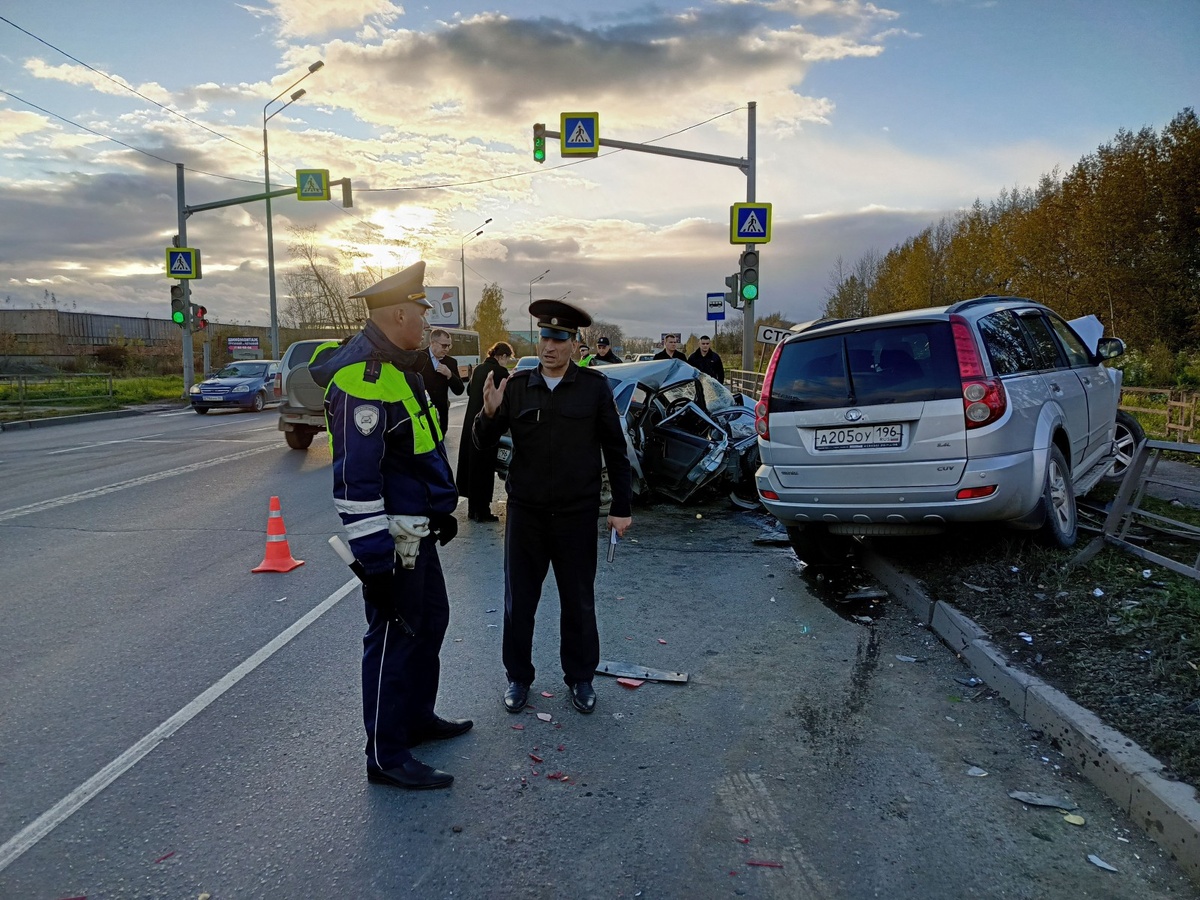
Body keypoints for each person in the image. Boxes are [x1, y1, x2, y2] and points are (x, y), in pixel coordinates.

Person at [309, 260, 470, 792]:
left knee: (431, 622)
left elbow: (417, 450)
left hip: (417, 529)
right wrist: (375, 561)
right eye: (421, 313)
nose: (426, 322)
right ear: (399, 313)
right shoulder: (364, 378)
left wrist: (440, 509)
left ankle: (415, 718)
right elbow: (356, 482)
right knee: (393, 639)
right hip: (393, 539)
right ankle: (385, 754)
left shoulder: (400, 367)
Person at [473, 299, 633, 716]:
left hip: (576, 514)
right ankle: (518, 678)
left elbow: (616, 451)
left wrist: (621, 505)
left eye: (560, 339)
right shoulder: (519, 386)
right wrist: (488, 415)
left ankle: (580, 678)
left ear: (575, 344)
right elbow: (482, 445)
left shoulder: (594, 388)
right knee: (519, 600)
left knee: (578, 600)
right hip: (525, 513)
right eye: (545, 337)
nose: (550, 346)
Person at [456, 341, 513, 522]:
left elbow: (469, 390)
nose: (507, 362)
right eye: (507, 358)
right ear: (501, 356)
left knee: (471, 467)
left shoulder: (479, 368)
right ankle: (482, 511)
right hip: (487, 426)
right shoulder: (501, 373)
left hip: (470, 425)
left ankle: (473, 509)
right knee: (484, 469)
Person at [425, 328, 465, 432]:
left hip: (441, 415)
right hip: (422, 414)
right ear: (433, 343)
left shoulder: (451, 362)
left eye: (449, 346)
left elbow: (459, 390)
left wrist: (450, 375)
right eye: (444, 345)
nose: (447, 349)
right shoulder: (419, 358)